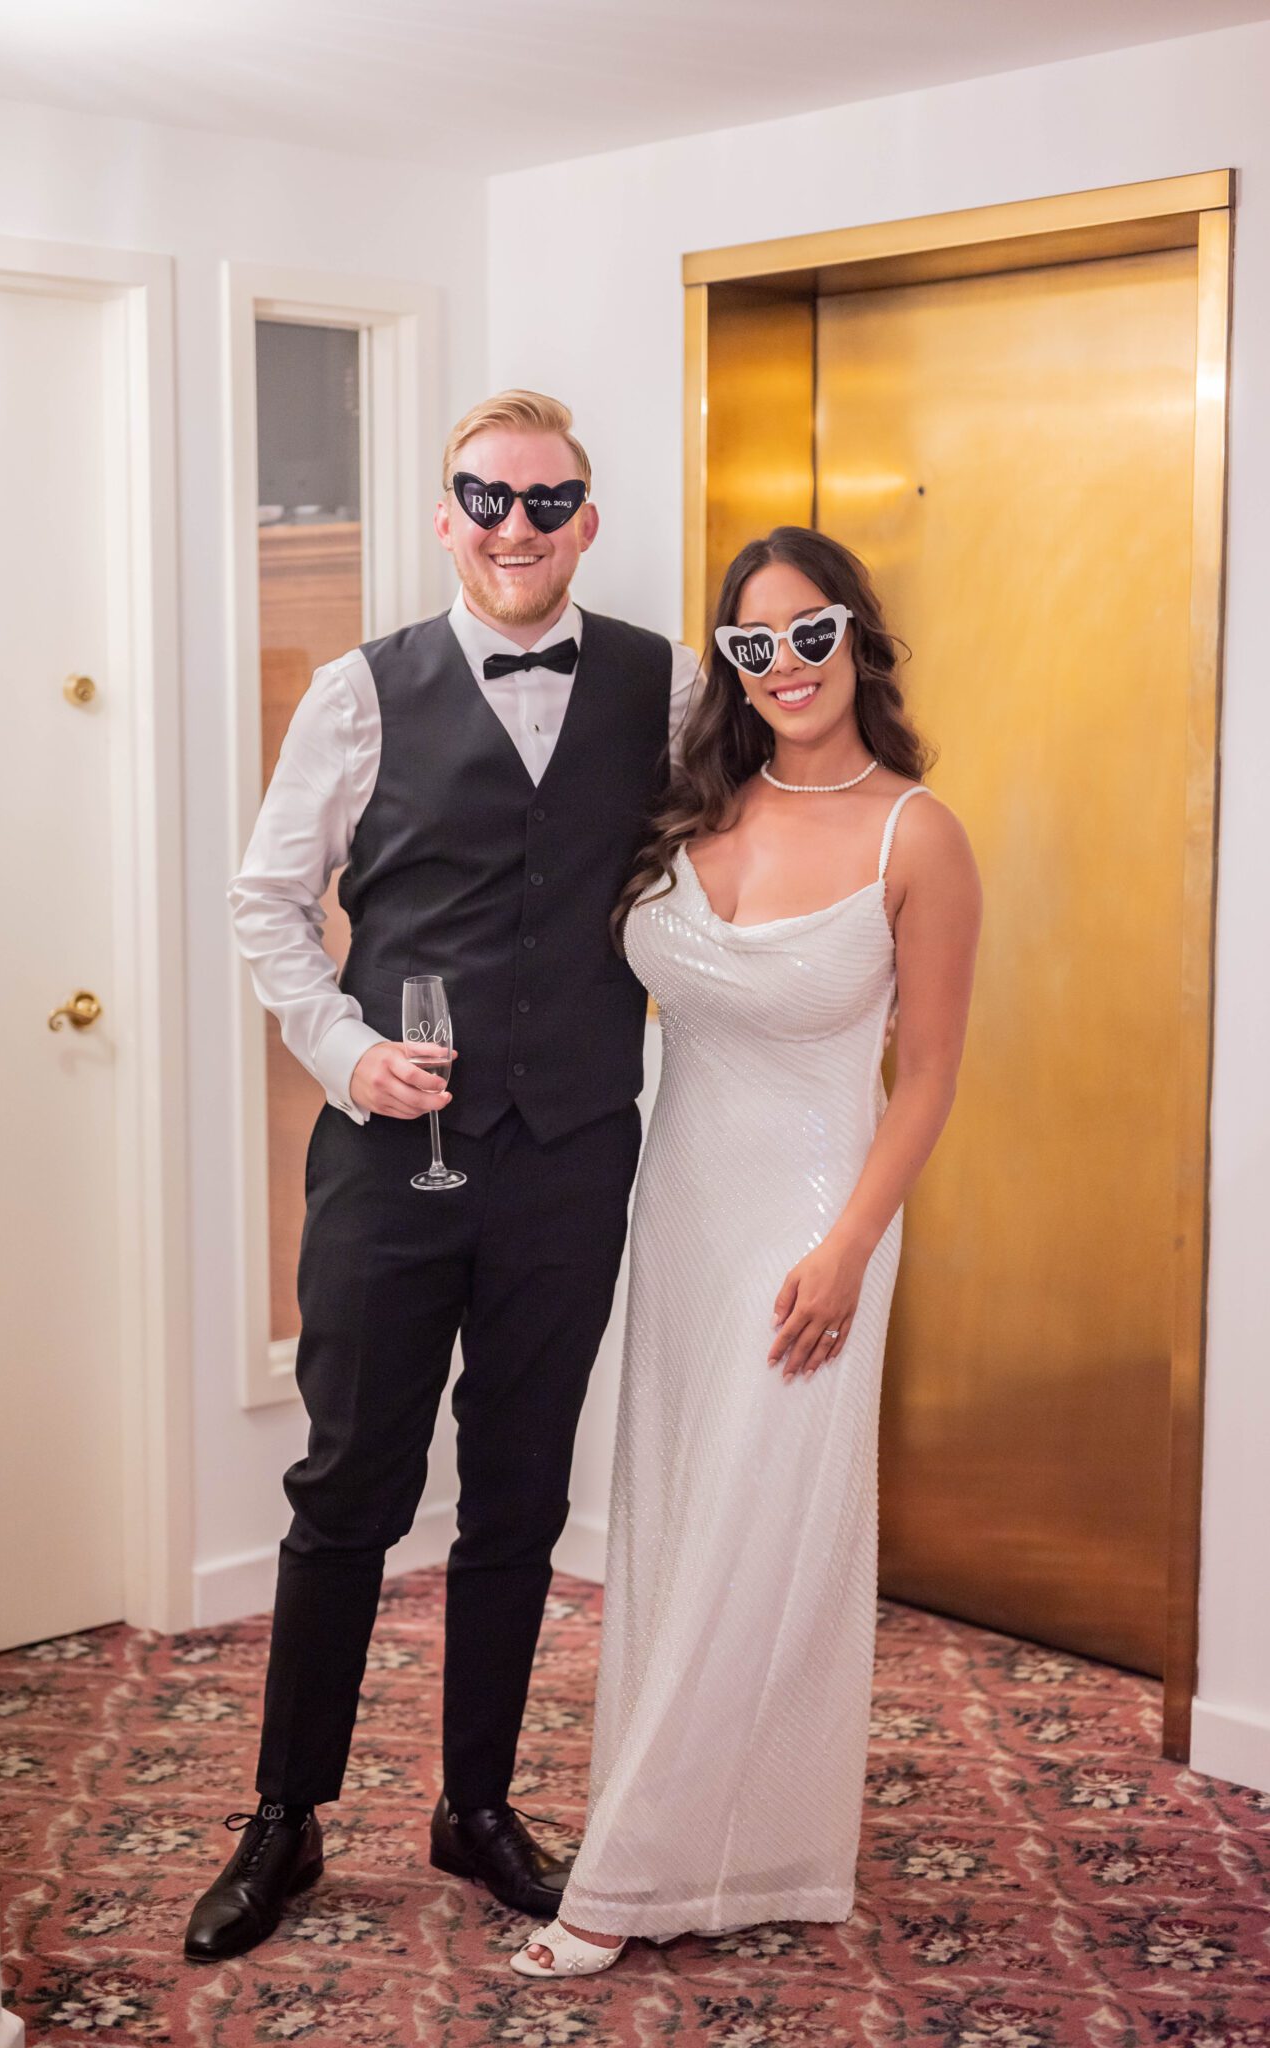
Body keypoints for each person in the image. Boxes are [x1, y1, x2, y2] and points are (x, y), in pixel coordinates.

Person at [188, 391, 699, 1962]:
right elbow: (268, 901)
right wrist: (347, 1053)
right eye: (486, 498)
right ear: (444, 514)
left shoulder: (663, 688)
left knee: (523, 1492)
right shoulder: (359, 691)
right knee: (350, 1488)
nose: (515, 528)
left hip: (571, 1157)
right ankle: (286, 1817)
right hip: (388, 1156)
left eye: (547, 504)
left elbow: (719, 864)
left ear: (587, 523)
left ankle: (474, 1806)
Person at [510, 526, 982, 1977]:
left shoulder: (920, 833)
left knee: (760, 1527)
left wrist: (849, 1246)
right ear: (730, 665)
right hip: (685, 1210)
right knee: (682, 1521)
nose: (785, 666)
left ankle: (623, 1884)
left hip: (812, 1219)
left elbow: (930, 1077)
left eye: (811, 633)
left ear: (860, 638)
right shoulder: (689, 810)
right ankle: (750, 1843)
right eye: (753, 644)